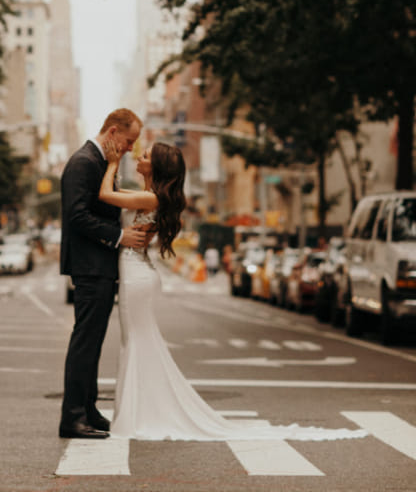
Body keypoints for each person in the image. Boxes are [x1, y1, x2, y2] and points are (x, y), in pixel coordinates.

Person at [99, 140, 367, 443]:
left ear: (156, 166)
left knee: (135, 341)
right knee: (136, 341)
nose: (138, 157)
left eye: (144, 156)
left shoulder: (151, 198)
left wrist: (111, 163)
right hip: (137, 273)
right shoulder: (150, 195)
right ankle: (137, 411)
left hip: (137, 276)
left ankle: (137, 415)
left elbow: (105, 195)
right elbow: (117, 194)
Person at [59, 108, 147, 440]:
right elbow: (77, 215)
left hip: (99, 265)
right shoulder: (83, 163)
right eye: (128, 142)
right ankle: (73, 417)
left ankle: (89, 409)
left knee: (93, 343)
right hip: (90, 266)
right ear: (112, 132)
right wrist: (119, 237)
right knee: (85, 342)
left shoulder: (99, 163)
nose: (129, 149)